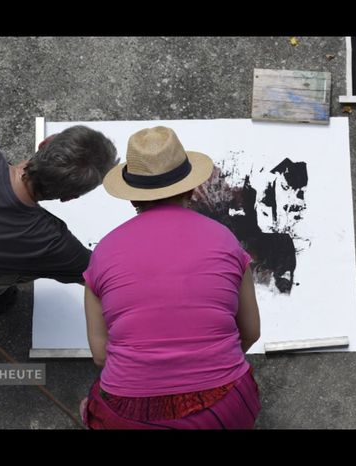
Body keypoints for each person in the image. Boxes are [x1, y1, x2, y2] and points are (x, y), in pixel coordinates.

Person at [80, 126, 261, 429]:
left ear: (132, 198)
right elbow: (251, 332)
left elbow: (100, 355)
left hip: (129, 413)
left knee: (91, 407)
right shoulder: (225, 240)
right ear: (191, 189)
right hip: (226, 406)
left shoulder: (104, 251)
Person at [0, 97, 118, 318]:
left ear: (45, 143)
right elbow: (104, 278)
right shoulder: (50, 242)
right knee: (16, 277)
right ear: (70, 198)